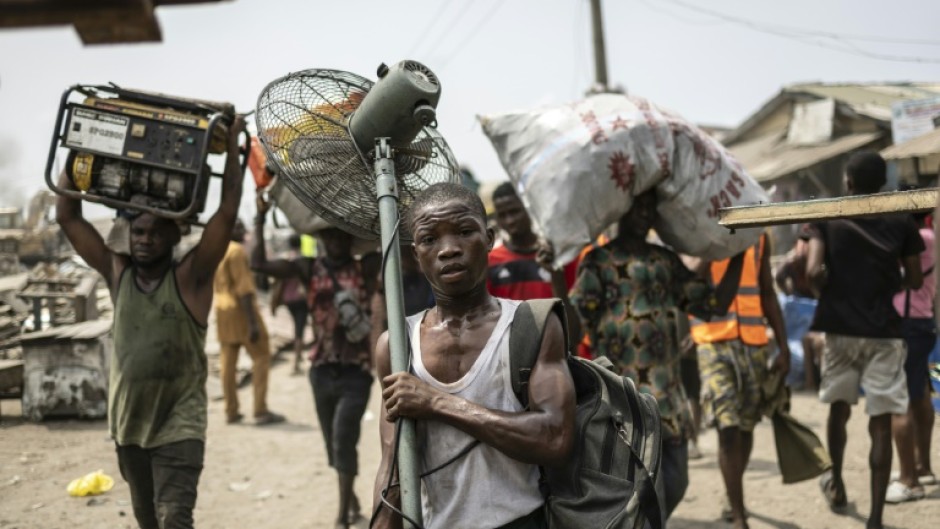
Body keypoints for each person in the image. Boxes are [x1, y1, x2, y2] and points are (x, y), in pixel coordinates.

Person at [55, 116, 246, 529]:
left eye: (156, 232)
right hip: (128, 426)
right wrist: (80, 145)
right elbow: (69, 217)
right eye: (138, 231)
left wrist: (232, 150)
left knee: (174, 518)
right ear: (128, 234)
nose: (145, 239)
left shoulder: (189, 278)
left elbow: (226, 213)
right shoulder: (116, 271)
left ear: (175, 236)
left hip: (180, 425)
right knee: (147, 521)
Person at [372, 182, 576, 529]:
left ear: (489, 238)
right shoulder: (398, 344)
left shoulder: (531, 325)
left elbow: (554, 438)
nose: (449, 249)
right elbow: (393, 466)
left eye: (465, 232)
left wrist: (437, 403)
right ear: (415, 254)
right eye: (429, 239)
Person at [563, 190, 746, 523]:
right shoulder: (599, 262)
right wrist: (555, 275)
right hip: (624, 401)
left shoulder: (663, 261)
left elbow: (713, 304)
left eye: (651, 207)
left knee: (677, 482)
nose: (645, 214)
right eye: (638, 206)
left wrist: (739, 250)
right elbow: (574, 327)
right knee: (649, 493)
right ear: (620, 210)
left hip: (668, 398)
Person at [807, 151, 923, 529]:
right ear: (882, 184)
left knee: (838, 410)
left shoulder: (830, 218)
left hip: (840, 330)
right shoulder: (901, 220)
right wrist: (886, 283)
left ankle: (837, 482)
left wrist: (831, 279)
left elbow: (813, 272)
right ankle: (875, 518)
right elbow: (916, 279)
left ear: (849, 184)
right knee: (880, 423)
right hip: (884, 333)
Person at [251, 194, 377, 529]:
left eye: (341, 234)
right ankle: (351, 500)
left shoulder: (366, 267)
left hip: (357, 370)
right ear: (319, 237)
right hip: (321, 370)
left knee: (343, 438)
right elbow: (259, 265)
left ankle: (341, 519)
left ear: (351, 237)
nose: (335, 240)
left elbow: (396, 247)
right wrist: (261, 218)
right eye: (329, 234)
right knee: (330, 444)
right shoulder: (308, 268)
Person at [689, 230, 791, 529]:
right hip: (712, 340)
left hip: (753, 342)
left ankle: (733, 493)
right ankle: (738, 515)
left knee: (746, 426)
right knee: (727, 426)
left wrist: (783, 347)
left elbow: (767, 291)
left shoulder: (759, 235)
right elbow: (689, 278)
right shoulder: (698, 228)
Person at [213, 219, 285, 425]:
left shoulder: (217, 250)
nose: (243, 230)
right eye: (238, 226)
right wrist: (252, 323)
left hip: (221, 310)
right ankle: (260, 410)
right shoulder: (236, 251)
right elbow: (244, 289)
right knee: (262, 356)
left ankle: (231, 410)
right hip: (241, 311)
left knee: (228, 361)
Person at [887, 208, 936, 502]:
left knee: (901, 399)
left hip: (909, 323)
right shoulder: (932, 236)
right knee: (919, 394)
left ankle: (910, 480)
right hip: (924, 319)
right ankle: (923, 466)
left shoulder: (917, 238)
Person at [487, 182, 577, 301]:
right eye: (502, 215)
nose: (509, 221)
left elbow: (574, 301)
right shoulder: (490, 261)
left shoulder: (557, 254)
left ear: (529, 209)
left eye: (514, 212)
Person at [270, 233, 312, 375]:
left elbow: (278, 283)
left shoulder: (286, 260)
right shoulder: (303, 260)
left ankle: (298, 358)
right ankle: (296, 363)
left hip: (289, 300)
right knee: (299, 330)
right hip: (301, 299)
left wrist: (276, 301)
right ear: (300, 243)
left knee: (297, 328)